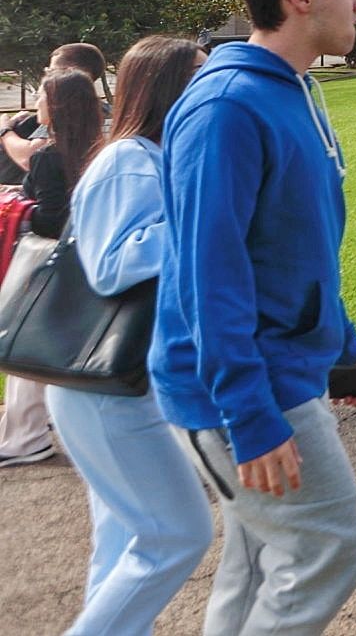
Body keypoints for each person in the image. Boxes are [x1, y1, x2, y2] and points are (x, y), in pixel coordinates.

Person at [151, 0, 356, 633]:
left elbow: (299, 246)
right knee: (330, 547)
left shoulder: (292, 89)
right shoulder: (226, 108)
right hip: (248, 387)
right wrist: (250, 418)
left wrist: (344, 343)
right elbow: (207, 275)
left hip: (284, 364)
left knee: (256, 561)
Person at [45, 37, 214, 634]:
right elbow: (113, 263)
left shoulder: (152, 155)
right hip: (103, 385)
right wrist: (208, 223)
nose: (211, 84)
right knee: (178, 533)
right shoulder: (129, 159)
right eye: (199, 74)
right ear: (166, 87)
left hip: (116, 383)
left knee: (123, 540)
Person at [0, 67, 103, 469]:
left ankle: (24, 437)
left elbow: (51, 218)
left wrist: (14, 206)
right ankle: (28, 434)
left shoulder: (47, 154)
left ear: (55, 105)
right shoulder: (97, 146)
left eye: (42, 96)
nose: (37, 103)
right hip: (86, 262)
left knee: (27, 351)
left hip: (46, 267)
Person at [1, 42, 107, 186]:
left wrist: (5, 130)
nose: (48, 76)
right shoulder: (103, 111)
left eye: (51, 71)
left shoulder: (65, 113)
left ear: (69, 72)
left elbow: (28, 158)